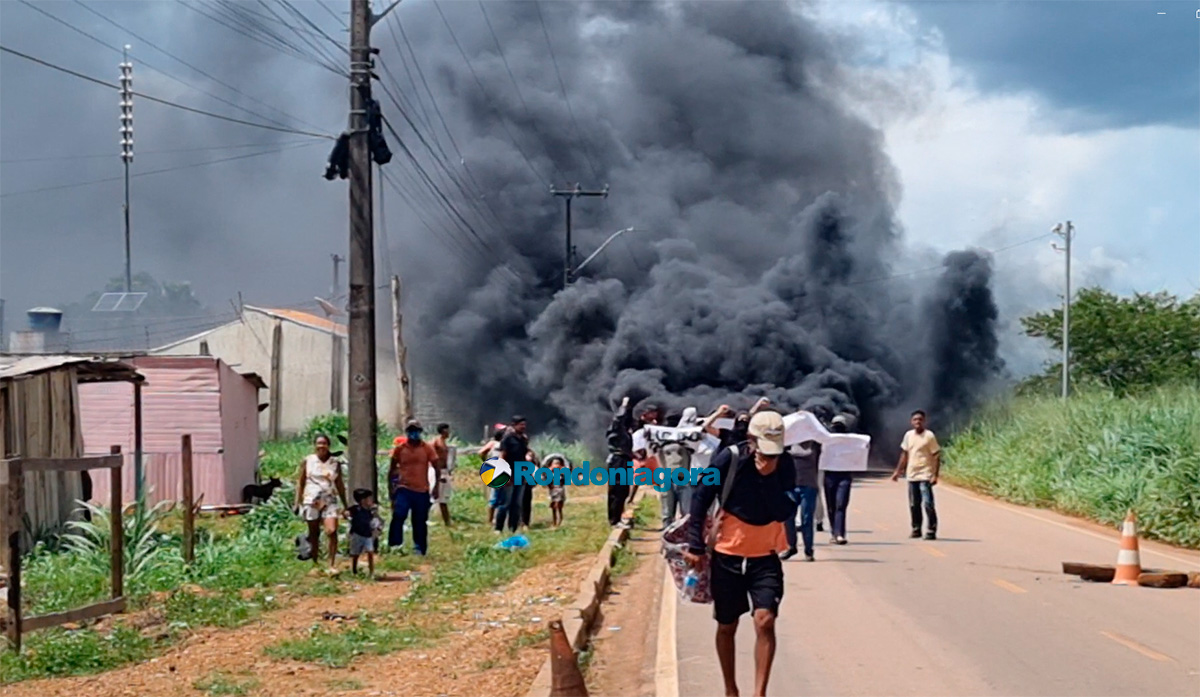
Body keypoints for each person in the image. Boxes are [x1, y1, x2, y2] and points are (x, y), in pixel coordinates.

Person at [684, 411, 795, 697]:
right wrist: (695, 545)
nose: (769, 456)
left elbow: (784, 510)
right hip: (727, 555)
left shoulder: (785, 463)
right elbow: (700, 497)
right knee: (726, 625)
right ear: (752, 439)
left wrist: (769, 478)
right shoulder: (728, 458)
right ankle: (730, 689)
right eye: (764, 450)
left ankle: (759, 693)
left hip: (765, 557)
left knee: (765, 620)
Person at [294, 433, 349, 571]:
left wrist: (346, 505)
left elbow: (340, 484)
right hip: (311, 499)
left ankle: (331, 564)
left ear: (328, 445)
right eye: (319, 443)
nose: (321, 446)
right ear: (314, 446)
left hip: (329, 498)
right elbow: (300, 482)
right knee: (314, 533)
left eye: (324, 443)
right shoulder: (308, 461)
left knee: (331, 530)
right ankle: (315, 562)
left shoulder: (335, 462)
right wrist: (297, 502)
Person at [387, 419, 440, 555]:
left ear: (420, 432)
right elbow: (392, 470)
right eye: (411, 431)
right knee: (398, 516)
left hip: (422, 490)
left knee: (420, 521)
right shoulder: (400, 449)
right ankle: (395, 545)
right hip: (403, 489)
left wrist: (436, 487)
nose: (413, 434)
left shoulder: (427, 448)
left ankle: (420, 548)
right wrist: (391, 489)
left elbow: (437, 467)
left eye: (415, 431)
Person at [892, 409, 941, 540]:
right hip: (912, 474)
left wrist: (935, 475)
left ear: (924, 421)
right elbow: (904, 454)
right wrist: (898, 471)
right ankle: (916, 528)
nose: (917, 422)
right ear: (911, 422)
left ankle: (931, 530)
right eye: (915, 419)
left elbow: (936, 455)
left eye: (920, 419)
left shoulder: (929, 436)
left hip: (925, 474)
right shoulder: (908, 435)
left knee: (928, 503)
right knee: (914, 504)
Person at [659, 407, 698, 529]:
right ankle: (666, 538)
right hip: (667, 478)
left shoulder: (689, 438)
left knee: (686, 513)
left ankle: (684, 538)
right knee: (667, 513)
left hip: (684, 478)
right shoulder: (659, 439)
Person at [783, 440, 821, 561]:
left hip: (809, 486)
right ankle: (791, 546)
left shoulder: (814, 446)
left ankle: (809, 550)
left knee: (807, 519)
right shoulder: (787, 444)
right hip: (791, 486)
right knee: (788, 518)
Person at [494, 415, 532, 534]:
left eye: (524, 424)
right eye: (521, 424)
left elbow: (524, 456)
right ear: (514, 425)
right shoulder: (507, 438)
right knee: (505, 503)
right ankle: (498, 528)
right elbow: (502, 457)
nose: (523, 427)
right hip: (509, 474)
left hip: (520, 474)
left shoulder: (523, 439)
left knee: (517, 504)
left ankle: (513, 528)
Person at [822, 415, 854, 545]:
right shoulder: (826, 440)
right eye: (836, 426)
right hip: (829, 475)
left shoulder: (851, 441)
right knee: (831, 506)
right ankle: (834, 533)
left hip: (844, 476)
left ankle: (840, 534)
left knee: (841, 505)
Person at [604, 397, 636, 527]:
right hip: (618, 461)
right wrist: (624, 406)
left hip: (624, 460)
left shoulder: (625, 432)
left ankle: (618, 516)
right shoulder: (616, 429)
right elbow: (618, 419)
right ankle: (614, 520)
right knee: (617, 491)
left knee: (623, 491)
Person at [345, 488, 382, 576]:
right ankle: (354, 569)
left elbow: (375, 520)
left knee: (370, 551)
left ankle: (371, 571)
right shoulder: (355, 509)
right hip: (357, 533)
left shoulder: (371, 510)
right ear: (363, 500)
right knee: (355, 553)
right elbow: (346, 513)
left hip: (367, 534)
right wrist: (346, 514)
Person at [479, 424, 507, 525]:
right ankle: (491, 520)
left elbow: (481, 453)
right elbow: (481, 452)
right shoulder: (494, 443)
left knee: (501, 496)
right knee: (495, 496)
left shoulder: (503, 443)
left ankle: (496, 518)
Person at [430, 423, 454, 527]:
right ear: (443, 431)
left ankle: (447, 522)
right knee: (434, 496)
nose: (448, 432)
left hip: (444, 471)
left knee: (443, 498)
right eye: (447, 430)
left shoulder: (444, 443)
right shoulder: (436, 442)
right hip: (437, 471)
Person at [543, 453, 569, 527]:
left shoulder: (562, 472)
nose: (556, 465)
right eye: (554, 463)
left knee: (559, 505)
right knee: (554, 505)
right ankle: (554, 520)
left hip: (560, 490)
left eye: (558, 463)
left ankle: (560, 519)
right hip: (553, 491)